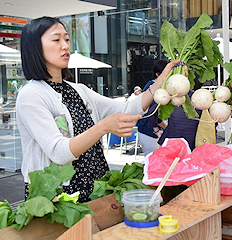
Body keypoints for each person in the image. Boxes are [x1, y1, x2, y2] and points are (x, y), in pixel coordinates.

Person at [16, 16, 181, 203]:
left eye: (67, 39)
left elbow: (126, 108)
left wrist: (160, 82)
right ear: (35, 48)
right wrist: (103, 127)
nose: (65, 46)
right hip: (57, 195)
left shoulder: (78, 89)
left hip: (94, 186)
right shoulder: (31, 95)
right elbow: (58, 152)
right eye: (56, 39)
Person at [156, 79, 203, 151]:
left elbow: (152, 115)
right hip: (191, 144)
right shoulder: (201, 99)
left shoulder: (170, 97)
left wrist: (161, 128)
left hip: (171, 142)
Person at [136, 60, 168, 156]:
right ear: (157, 74)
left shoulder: (161, 87)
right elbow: (152, 112)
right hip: (148, 130)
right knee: (152, 160)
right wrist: (166, 127)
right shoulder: (152, 87)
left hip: (154, 129)